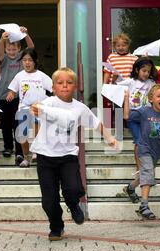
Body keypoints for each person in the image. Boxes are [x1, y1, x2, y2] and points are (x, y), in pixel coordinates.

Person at [30, 67, 117, 241]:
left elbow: (96, 123)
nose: (64, 86)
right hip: (45, 157)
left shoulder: (80, 108)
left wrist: (110, 139)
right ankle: (56, 227)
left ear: (75, 87)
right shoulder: (49, 102)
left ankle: (73, 204)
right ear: (53, 87)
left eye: (69, 83)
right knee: (49, 199)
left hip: (68, 156)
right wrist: (40, 109)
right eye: (60, 83)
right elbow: (35, 108)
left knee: (73, 188)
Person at [123, 84, 160, 220]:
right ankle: (144, 206)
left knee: (145, 174)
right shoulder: (144, 112)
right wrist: (126, 99)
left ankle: (130, 188)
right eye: (159, 96)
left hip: (157, 151)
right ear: (151, 99)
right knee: (148, 173)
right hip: (144, 149)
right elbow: (126, 116)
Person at [117, 57, 158, 203]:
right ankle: (139, 166)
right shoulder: (130, 82)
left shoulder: (151, 83)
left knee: (147, 140)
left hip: (146, 116)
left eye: (148, 71)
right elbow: (116, 85)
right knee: (139, 141)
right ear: (136, 70)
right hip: (133, 116)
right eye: (143, 71)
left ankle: (141, 171)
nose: (146, 74)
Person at [6, 48, 52, 168]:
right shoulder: (19, 76)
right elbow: (12, 89)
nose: (27, 63)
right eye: (25, 60)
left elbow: (53, 89)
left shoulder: (41, 76)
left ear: (35, 61)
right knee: (22, 135)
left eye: (30, 60)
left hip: (38, 107)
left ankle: (36, 152)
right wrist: (11, 94)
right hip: (24, 107)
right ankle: (26, 157)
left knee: (37, 128)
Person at [0, 26, 34, 163]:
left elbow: (31, 48)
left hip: (18, 97)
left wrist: (26, 34)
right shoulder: (4, 58)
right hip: (3, 95)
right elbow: (0, 51)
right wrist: (2, 39)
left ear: (19, 49)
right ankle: (8, 147)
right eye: (9, 49)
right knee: (6, 124)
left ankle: (19, 152)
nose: (11, 52)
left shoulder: (21, 58)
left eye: (14, 49)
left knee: (18, 124)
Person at [103, 33, 138, 127]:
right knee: (118, 107)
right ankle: (119, 129)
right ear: (114, 46)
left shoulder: (133, 58)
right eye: (118, 45)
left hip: (130, 88)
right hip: (116, 86)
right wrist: (105, 85)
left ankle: (129, 127)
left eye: (123, 45)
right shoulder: (112, 57)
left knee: (130, 107)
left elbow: (138, 73)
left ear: (128, 45)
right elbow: (107, 72)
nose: (121, 47)